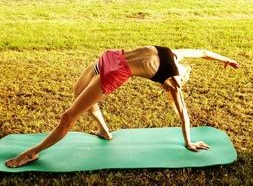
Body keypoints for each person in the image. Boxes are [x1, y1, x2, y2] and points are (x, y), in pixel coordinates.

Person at [5, 46, 240, 168]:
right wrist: (225, 59)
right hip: (110, 57)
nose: (187, 73)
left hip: (115, 72)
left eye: (185, 77)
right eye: (188, 72)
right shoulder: (176, 55)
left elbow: (184, 114)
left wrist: (188, 142)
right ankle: (105, 132)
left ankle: (31, 153)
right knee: (77, 92)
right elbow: (202, 52)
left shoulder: (174, 83)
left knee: (68, 116)